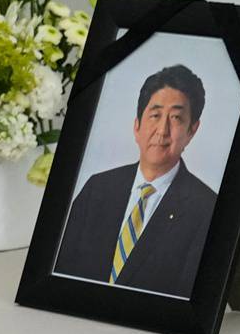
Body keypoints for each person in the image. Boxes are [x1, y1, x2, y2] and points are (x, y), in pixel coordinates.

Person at [52, 64, 217, 298]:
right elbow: (59, 271)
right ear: (137, 125)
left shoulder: (206, 209)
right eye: (155, 115)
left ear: (192, 131)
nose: (163, 130)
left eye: (177, 118)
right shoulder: (97, 188)